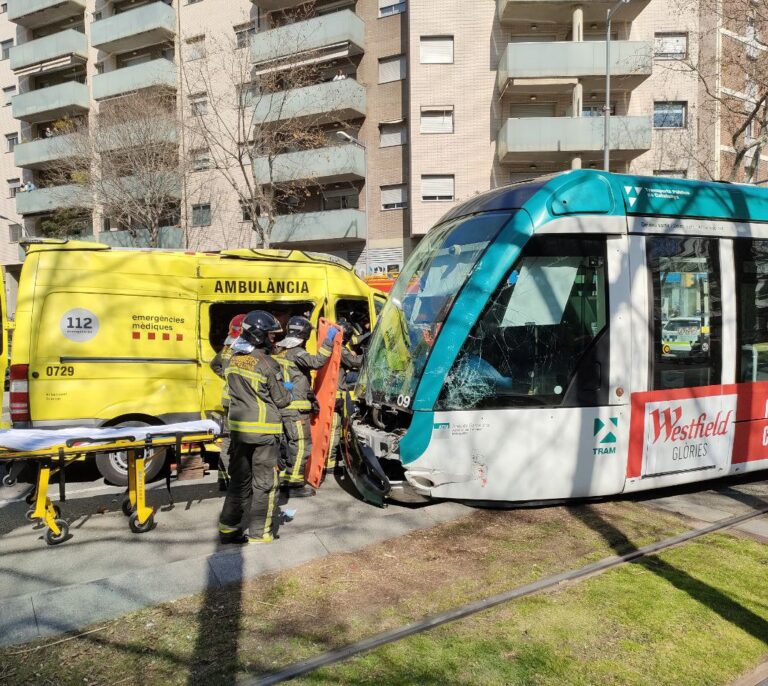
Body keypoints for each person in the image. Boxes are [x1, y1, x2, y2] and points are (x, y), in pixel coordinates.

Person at [218, 310, 293, 544]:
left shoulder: (232, 360)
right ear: (260, 335)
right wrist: (287, 388)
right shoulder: (267, 364)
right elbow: (281, 400)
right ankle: (260, 533)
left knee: (239, 482)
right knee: (265, 485)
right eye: (271, 335)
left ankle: (228, 528)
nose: (274, 339)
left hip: (240, 433)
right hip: (264, 435)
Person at [272, 316, 338, 497]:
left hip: (282, 407)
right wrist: (328, 340)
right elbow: (317, 361)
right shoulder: (297, 353)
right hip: (295, 409)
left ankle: (286, 478)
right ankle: (295, 484)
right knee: (301, 444)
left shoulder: (279, 350)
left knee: (286, 445)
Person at [210, 313, 246, 490]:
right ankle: (235, 479)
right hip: (237, 398)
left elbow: (214, 364)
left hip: (227, 398)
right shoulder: (240, 347)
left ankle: (224, 479)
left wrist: (225, 376)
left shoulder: (226, 346)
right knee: (237, 441)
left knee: (227, 440)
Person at [325, 317, 363, 471]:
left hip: (331, 391)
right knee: (336, 428)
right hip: (337, 395)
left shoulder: (327, 344)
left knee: (333, 428)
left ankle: (331, 459)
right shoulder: (338, 347)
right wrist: (369, 356)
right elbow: (355, 363)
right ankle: (330, 463)